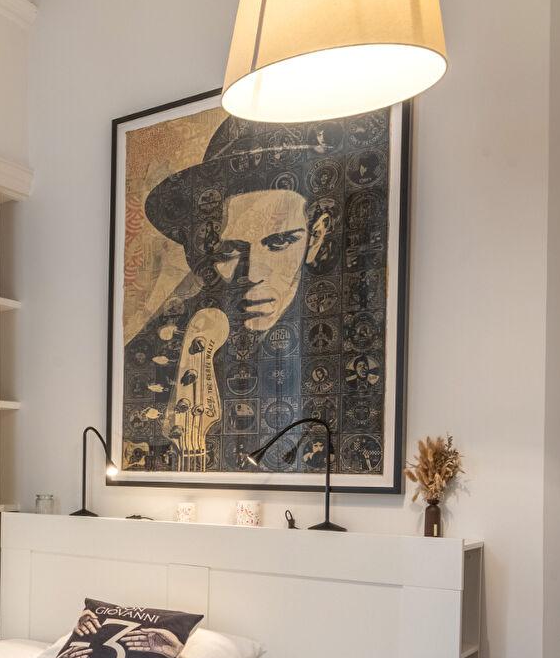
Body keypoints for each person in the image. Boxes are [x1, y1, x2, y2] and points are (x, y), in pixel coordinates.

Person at [124, 111, 387, 475]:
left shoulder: (356, 336)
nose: (252, 274)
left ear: (316, 236)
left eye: (278, 243)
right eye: (230, 251)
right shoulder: (164, 341)